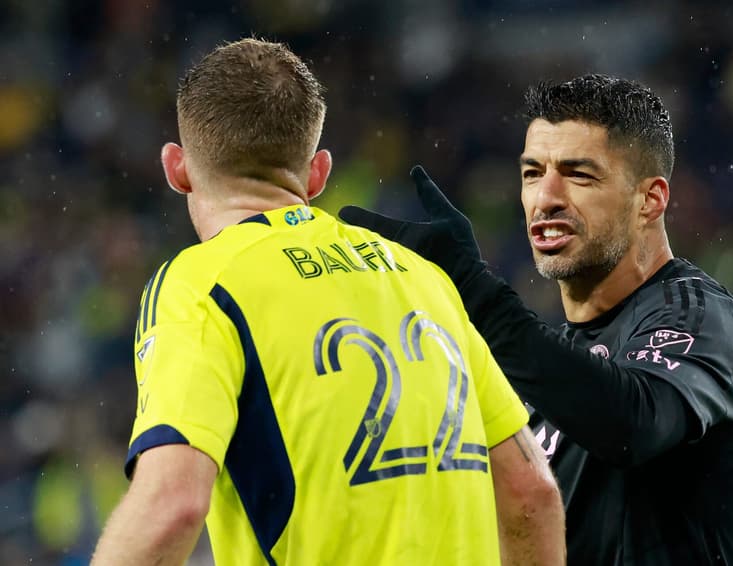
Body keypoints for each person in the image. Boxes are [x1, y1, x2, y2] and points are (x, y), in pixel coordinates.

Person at [91, 38, 566, 566]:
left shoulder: (202, 285)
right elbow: (531, 493)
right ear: (317, 174)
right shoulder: (421, 276)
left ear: (176, 168)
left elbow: (171, 506)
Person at [340, 74, 733, 565]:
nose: (546, 198)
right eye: (532, 173)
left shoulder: (698, 313)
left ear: (650, 200)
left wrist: (475, 291)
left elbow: (633, 424)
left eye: (579, 174)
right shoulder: (545, 371)